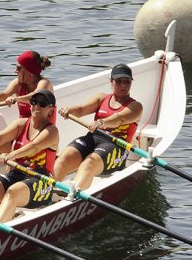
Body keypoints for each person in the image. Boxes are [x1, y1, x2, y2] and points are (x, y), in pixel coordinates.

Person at [55, 63, 143, 192]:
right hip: (94, 138)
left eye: (127, 81)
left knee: (89, 163)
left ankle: (72, 195)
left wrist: (102, 123)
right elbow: (81, 109)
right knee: (65, 157)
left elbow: (120, 119)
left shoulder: (135, 107)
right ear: (111, 82)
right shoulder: (101, 98)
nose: (123, 85)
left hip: (117, 145)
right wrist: (69, 110)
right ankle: (49, 193)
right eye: (119, 81)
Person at [0, 89, 59, 223]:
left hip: (41, 180)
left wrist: (12, 155)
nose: (36, 106)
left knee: (13, 191)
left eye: (42, 104)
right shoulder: (21, 124)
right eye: (33, 102)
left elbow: (34, 147)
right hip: (17, 174)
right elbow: (1, 137)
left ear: (51, 111)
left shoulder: (51, 131)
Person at [0, 50, 54, 118]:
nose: (15, 71)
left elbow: (34, 96)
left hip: (44, 127)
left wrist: (16, 99)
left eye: (18, 68)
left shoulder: (44, 83)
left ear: (30, 71)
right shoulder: (17, 84)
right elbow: (4, 95)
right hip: (23, 125)